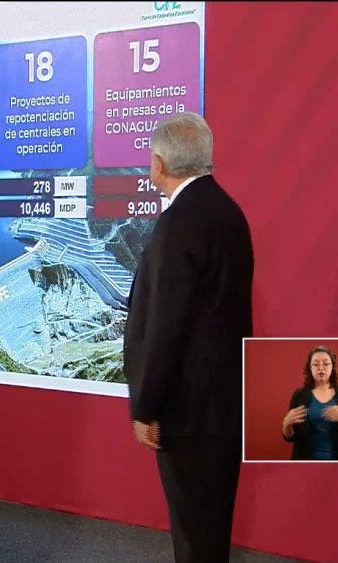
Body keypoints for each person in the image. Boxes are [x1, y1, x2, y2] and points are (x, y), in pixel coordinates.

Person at [124, 112, 254, 562]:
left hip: (187, 411)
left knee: (194, 532)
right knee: (211, 527)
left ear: (159, 164)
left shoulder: (178, 223)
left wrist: (146, 406)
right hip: (224, 404)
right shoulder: (230, 213)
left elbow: (166, 325)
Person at [281, 345, 338, 460]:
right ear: (310, 367)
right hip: (304, 461)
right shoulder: (299, 394)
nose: (321, 368)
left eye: (326, 364)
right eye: (316, 364)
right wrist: (286, 425)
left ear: (332, 367)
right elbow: (289, 438)